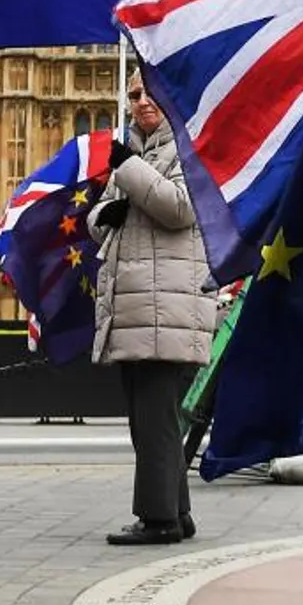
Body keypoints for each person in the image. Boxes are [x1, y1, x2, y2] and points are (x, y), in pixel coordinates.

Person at [88, 68, 217, 546]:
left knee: (157, 417)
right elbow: (97, 224)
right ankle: (176, 513)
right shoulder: (138, 154)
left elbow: (181, 207)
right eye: (135, 94)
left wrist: (127, 169)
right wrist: (107, 214)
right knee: (150, 418)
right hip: (138, 307)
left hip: (168, 306)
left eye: (151, 93)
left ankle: (157, 518)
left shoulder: (189, 146)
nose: (141, 101)